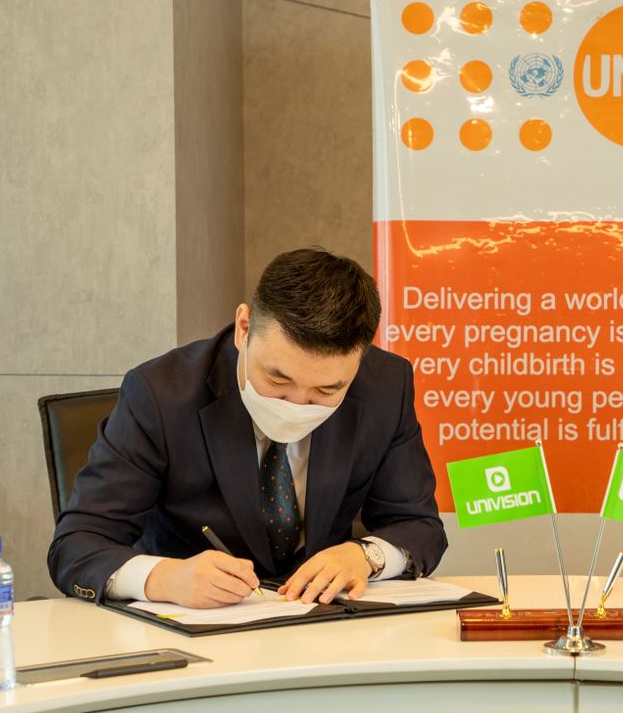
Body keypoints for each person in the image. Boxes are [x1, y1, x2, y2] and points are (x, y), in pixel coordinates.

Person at [48, 248, 446, 608]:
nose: (296, 405)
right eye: (277, 379)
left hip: (321, 626)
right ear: (243, 327)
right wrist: (164, 578)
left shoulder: (385, 386)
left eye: (326, 390)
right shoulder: (160, 395)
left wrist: (366, 556)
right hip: (193, 630)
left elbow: (419, 526)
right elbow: (76, 544)